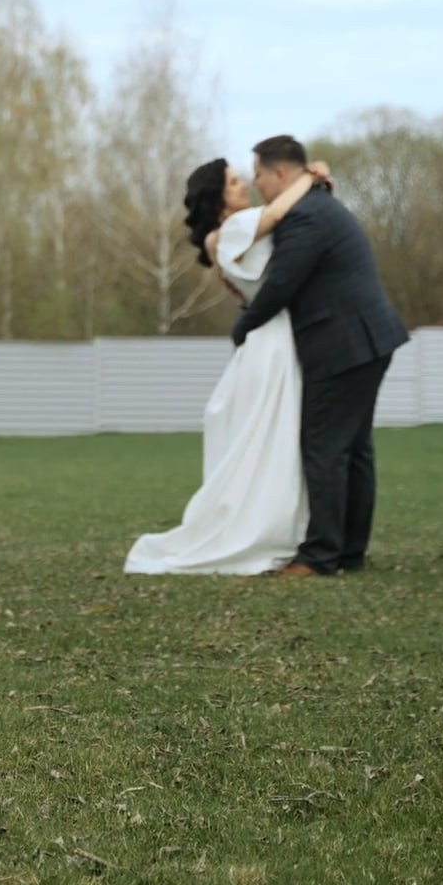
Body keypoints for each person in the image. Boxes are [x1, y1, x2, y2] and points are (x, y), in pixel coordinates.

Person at [123, 158, 327, 575]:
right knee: (275, 434)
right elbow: (277, 214)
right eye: (233, 182)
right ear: (218, 198)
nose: (244, 185)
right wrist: (308, 177)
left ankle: (284, 525)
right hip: (273, 341)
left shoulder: (223, 237)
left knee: (273, 435)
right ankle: (270, 528)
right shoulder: (236, 227)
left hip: (269, 336)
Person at [232, 135, 409, 577]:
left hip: (344, 345)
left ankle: (320, 556)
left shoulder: (306, 217)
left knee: (325, 448)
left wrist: (244, 326)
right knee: (352, 450)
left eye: (258, 176)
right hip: (367, 340)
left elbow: (282, 282)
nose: (256, 186)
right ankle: (348, 552)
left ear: (279, 172)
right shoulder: (318, 205)